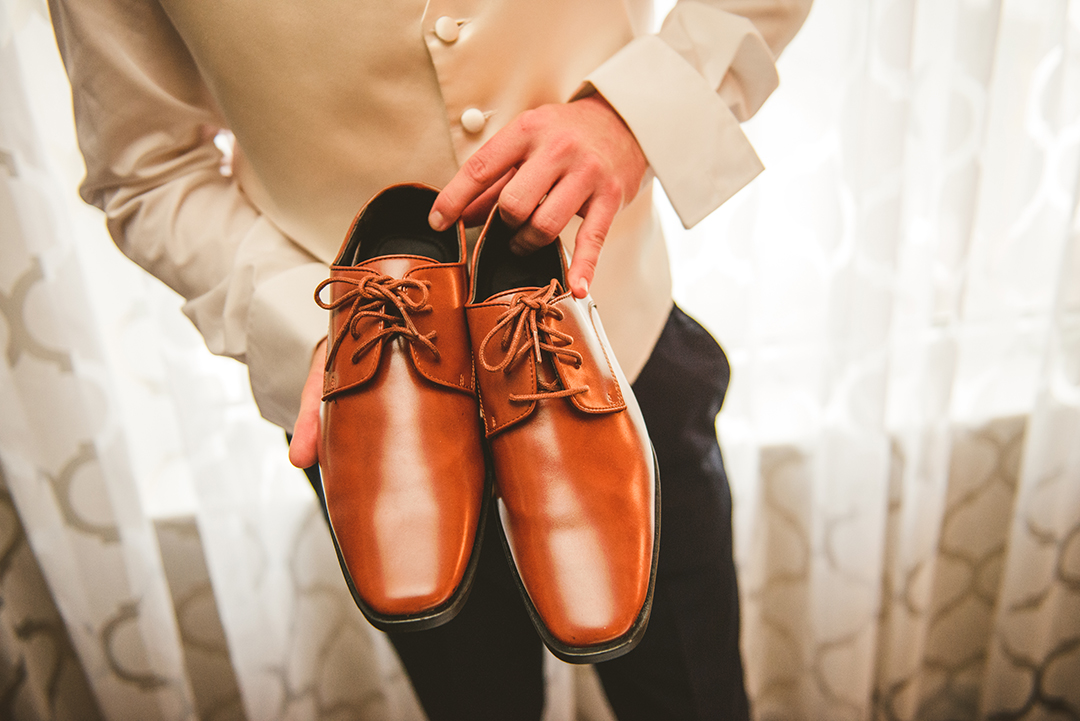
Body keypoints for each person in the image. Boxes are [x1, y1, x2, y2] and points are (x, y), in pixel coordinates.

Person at [49, 0, 812, 718]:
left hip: (614, 345)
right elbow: (144, 166)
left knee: (692, 692)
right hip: (368, 413)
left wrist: (632, 117)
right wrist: (310, 330)